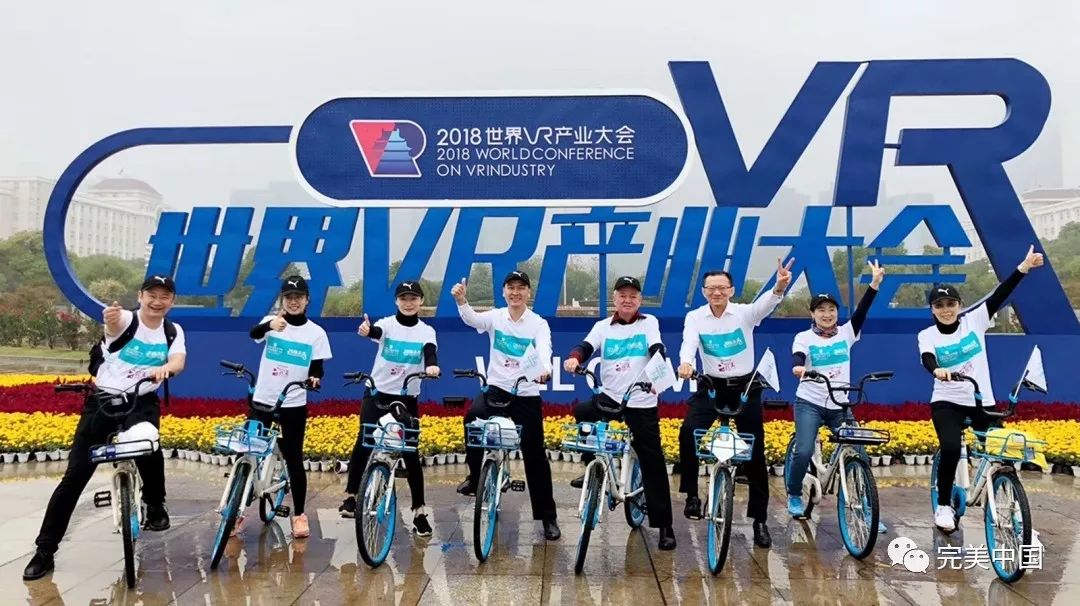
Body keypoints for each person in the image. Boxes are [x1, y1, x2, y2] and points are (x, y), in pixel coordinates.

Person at [24, 275, 187, 581]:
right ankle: (45, 550)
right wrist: (110, 320)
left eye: (164, 296)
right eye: (151, 295)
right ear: (140, 296)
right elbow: (113, 327)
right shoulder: (125, 319)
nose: (157, 301)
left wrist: (166, 368)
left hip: (141, 403)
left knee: (150, 448)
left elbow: (178, 360)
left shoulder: (172, 331)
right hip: (103, 402)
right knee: (75, 476)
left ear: (172, 301)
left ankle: (155, 505)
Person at [920, 245, 1044, 532]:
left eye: (950, 304)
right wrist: (936, 370)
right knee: (951, 449)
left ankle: (1014, 511)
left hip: (981, 401)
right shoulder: (927, 334)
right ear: (932, 310)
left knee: (1003, 454)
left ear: (959, 305)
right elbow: (927, 357)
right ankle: (943, 506)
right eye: (939, 305)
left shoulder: (975, 321)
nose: (946, 310)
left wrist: (1023, 267)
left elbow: (1001, 294)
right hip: (947, 402)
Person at [677, 258, 794, 549]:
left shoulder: (743, 314)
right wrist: (686, 362)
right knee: (688, 432)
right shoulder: (695, 317)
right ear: (704, 291)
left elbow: (764, 306)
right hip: (711, 387)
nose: (716, 292)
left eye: (722, 288)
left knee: (755, 454)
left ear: (731, 290)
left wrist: (779, 287)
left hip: (744, 388)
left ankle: (759, 520)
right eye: (711, 288)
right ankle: (692, 496)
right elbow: (689, 343)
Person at [563, 276, 677, 551]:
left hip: (640, 400)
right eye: (622, 295)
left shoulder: (649, 323)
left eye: (633, 296)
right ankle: (591, 466)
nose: (627, 300)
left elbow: (657, 348)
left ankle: (664, 525)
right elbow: (585, 347)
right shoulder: (603, 326)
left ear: (640, 300)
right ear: (615, 299)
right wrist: (574, 358)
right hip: (611, 396)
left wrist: (658, 373)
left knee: (652, 461)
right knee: (582, 412)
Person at [452, 271, 561, 541]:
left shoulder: (538, 324)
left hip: (525, 393)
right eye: (511, 287)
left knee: (535, 455)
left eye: (521, 288)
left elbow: (544, 350)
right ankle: (475, 477)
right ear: (504, 292)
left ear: (528, 292)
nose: (516, 292)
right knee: (472, 420)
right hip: (496, 389)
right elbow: (473, 319)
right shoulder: (496, 317)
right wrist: (462, 301)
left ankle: (547, 517)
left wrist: (545, 370)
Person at [787, 261, 886, 530]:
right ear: (812, 314)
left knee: (859, 452)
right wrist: (799, 367)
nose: (827, 314)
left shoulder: (847, 333)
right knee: (804, 449)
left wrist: (874, 284)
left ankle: (867, 511)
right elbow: (798, 356)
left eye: (831, 309)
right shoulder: (804, 337)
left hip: (840, 405)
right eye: (821, 310)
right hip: (810, 403)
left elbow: (862, 310)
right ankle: (794, 493)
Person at [339, 280, 439, 537]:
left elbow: (430, 352)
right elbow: (376, 332)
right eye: (404, 298)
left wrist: (432, 366)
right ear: (396, 301)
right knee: (364, 441)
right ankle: (351, 496)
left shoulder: (426, 331)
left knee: (410, 453)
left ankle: (419, 513)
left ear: (421, 301)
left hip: (406, 399)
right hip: (377, 394)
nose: (408, 303)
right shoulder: (387, 324)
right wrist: (367, 330)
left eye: (413, 298)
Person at [244, 275, 331, 539]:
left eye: (298, 297)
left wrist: (315, 377)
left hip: (293, 403)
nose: (293, 302)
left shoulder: (316, 333)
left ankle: (300, 515)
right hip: (262, 400)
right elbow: (254, 334)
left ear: (307, 300)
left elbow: (317, 367)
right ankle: (236, 512)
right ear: (283, 300)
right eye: (289, 297)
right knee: (248, 454)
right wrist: (270, 325)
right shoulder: (271, 323)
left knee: (293, 458)